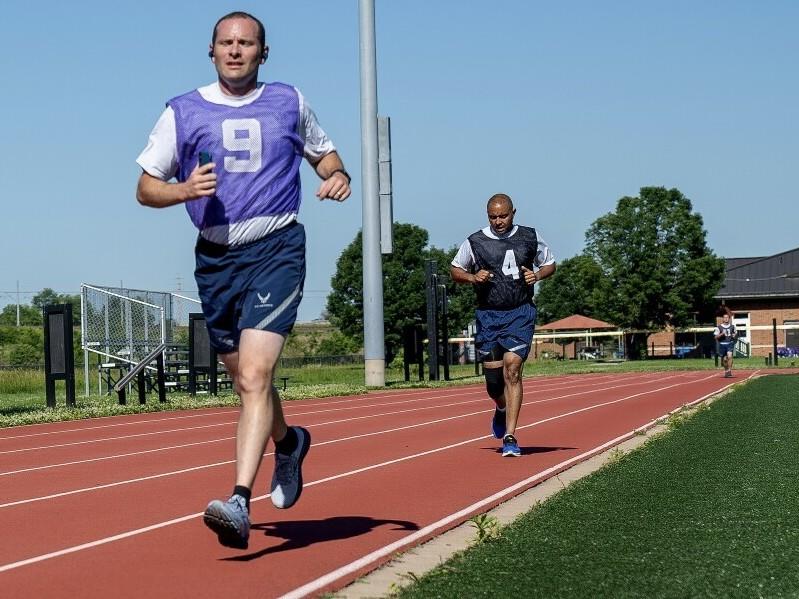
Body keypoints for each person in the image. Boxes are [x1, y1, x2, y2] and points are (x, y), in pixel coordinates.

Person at [135, 11, 351, 549]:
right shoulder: (182, 111)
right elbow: (144, 187)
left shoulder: (289, 102)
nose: (236, 51)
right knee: (245, 382)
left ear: (263, 52)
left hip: (277, 248)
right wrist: (183, 191)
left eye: (246, 43)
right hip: (215, 260)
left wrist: (338, 175)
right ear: (211, 51)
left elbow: (325, 155)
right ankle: (290, 441)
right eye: (227, 43)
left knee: (256, 377)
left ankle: (237, 499)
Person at [450, 194, 556, 457]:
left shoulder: (529, 236)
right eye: (493, 217)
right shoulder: (475, 241)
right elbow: (455, 270)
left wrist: (537, 274)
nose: (498, 221)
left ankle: (510, 436)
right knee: (494, 385)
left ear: (513, 213)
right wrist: (473, 277)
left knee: (513, 369)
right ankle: (500, 407)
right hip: (488, 316)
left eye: (503, 216)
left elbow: (550, 264)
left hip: (520, 313)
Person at [714, 305, 737, 378]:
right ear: (723, 319)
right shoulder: (719, 327)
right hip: (722, 344)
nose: (726, 319)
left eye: (727, 317)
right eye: (725, 317)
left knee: (730, 356)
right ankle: (726, 370)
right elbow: (715, 337)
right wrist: (721, 334)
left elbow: (735, 334)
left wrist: (734, 336)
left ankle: (729, 370)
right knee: (724, 359)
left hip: (730, 343)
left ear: (729, 318)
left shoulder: (732, 327)